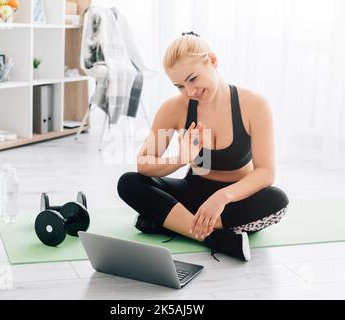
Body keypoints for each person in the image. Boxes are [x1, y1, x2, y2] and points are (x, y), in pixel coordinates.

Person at [117, 32, 289, 262]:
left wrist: (221, 197)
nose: (190, 91)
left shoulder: (254, 105)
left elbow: (266, 172)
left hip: (233, 201)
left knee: (277, 201)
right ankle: (214, 238)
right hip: (193, 194)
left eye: (193, 78)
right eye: (179, 86)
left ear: (213, 61)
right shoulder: (174, 109)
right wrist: (180, 158)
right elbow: (144, 164)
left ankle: (173, 224)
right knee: (129, 183)